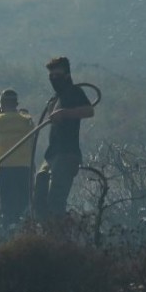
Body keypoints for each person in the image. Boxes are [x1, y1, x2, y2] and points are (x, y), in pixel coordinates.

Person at [33, 56, 94, 219]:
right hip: (51, 154)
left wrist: (65, 113)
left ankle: (59, 236)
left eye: (57, 75)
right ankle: (41, 233)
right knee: (39, 190)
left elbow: (89, 111)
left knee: (55, 200)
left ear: (67, 75)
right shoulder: (54, 98)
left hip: (67, 153)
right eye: (51, 76)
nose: (54, 79)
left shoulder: (74, 92)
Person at [0, 88, 35, 226]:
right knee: (23, 199)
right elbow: (33, 138)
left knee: (7, 200)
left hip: (5, 165)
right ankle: (25, 227)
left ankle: (8, 226)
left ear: (2, 104)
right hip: (24, 165)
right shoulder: (27, 120)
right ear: (16, 104)